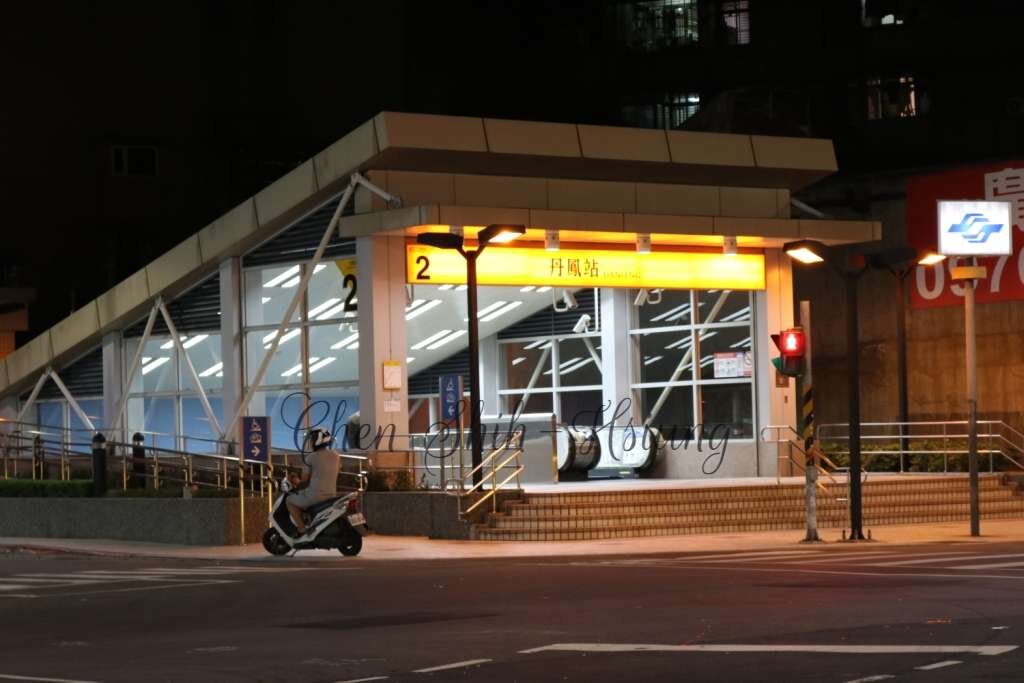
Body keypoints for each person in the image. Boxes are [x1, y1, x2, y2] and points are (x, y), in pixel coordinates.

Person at [286, 428, 340, 535]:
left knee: (289, 500)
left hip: (315, 497)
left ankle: (302, 528)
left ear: (316, 441)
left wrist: (294, 480)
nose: (311, 442)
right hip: (331, 496)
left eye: (312, 439)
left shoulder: (310, 458)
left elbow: (304, 481)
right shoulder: (336, 456)